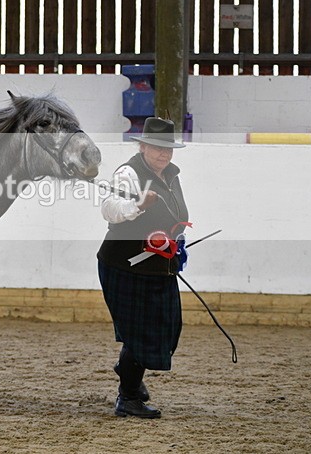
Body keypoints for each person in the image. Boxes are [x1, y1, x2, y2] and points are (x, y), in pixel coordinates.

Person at [97, 117, 189, 419]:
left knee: (169, 328)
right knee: (141, 333)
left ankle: (127, 370)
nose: (164, 154)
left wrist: (178, 241)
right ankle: (128, 397)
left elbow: (175, 216)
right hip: (125, 265)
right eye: (157, 148)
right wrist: (138, 206)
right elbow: (109, 208)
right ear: (143, 145)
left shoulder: (172, 176)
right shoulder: (127, 173)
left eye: (168, 149)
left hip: (161, 266)